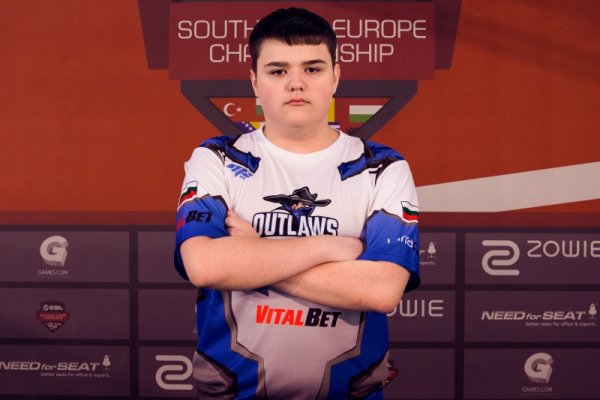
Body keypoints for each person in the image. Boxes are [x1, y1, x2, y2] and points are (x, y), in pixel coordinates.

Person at [174, 7, 420, 399]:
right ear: (255, 82)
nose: (296, 84)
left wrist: (255, 253)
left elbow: (381, 290)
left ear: (335, 77)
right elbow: (204, 265)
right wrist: (330, 247)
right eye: (277, 71)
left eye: (312, 68)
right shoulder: (217, 158)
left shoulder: (382, 167)